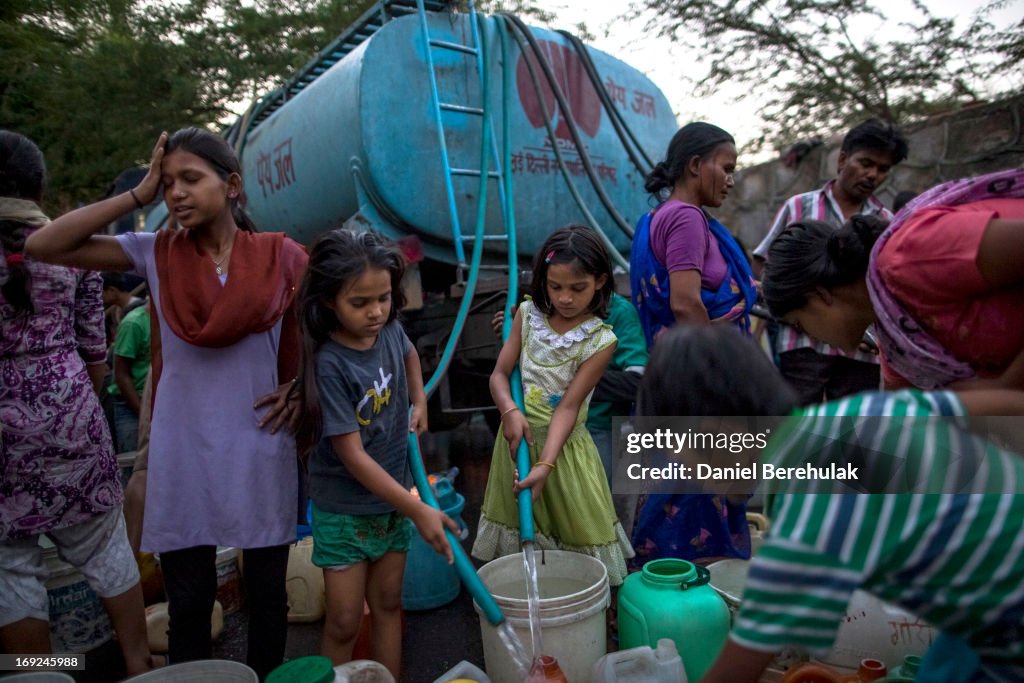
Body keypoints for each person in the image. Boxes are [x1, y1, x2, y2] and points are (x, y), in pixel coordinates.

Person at [24, 127, 307, 678]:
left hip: (259, 440)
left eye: (190, 179)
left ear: (231, 185)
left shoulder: (281, 256)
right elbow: (42, 245)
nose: (176, 192)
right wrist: (138, 194)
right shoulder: (155, 252)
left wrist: (301, 387)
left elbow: (321, 329)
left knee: (270, 593)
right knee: (189, 600)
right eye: (168, 181)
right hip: (185, 449)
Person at [634, 328, 1024, 683]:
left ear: (713, 433)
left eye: (677, 455)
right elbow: (1006, 405)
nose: (690, 477)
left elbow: (736, 671)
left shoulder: (807, 515)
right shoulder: (863, 412)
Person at [0, 130, 154, 674]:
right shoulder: (71, 250)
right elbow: (95, 355)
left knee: (12, 568)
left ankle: (43, 676)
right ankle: (138, 663)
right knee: (105, 548)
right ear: (39, 188)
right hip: (70, 418)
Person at [292, 229, 456, 678]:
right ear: (328, 301)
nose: (376, 312)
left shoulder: (389, 330)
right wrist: (417, 509)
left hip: (390, 504)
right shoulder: (330, 363)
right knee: (344, 620)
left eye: (383, 298)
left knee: (388, 604)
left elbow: (408, 356)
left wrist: (419, 401)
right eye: (360, 303)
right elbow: (353, 457)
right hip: (345, 510)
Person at [761, 167, 1024, 391]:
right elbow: (900, 416)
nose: (813, 338)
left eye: (801, 325)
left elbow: (990, 402)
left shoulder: (909, 255)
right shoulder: (898, 340)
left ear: (820, 295)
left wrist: (1005, 390)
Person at [472, 225, 634, 586]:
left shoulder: (600, 340)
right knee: (522, 540)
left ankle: (591, 611)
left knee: (579, 535)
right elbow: (499, 375)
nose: (565, 298)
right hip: (515, 445)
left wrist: (545, 463)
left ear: (600, 281)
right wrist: (510, 412)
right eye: (555, 287)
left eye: (577, 289)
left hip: (564, 454)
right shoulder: (527, 316)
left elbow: (568, 407)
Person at [752, 119, 909, 404]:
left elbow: (890, 290)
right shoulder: (799, 207)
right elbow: (764, 264)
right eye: (865, 163)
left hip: (863, 350)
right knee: (796, 425)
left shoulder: (886, 223)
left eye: (882, 169)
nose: (872, 174)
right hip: (802, 344)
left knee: (854, 432)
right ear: (842, 159)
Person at [630, 121, 757, 346]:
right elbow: (685, 303)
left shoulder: (661, 214)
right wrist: (710, 359)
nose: (731, 181)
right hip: (701, 358)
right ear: (696, 165)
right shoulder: (686, 217)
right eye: (726, 169)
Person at [107, 299, 151, 454]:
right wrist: (144, 415)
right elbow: (121, 374)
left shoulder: (175, 320)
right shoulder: (134, 323)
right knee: (133, 463)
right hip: (131, 405)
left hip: (159, 405)